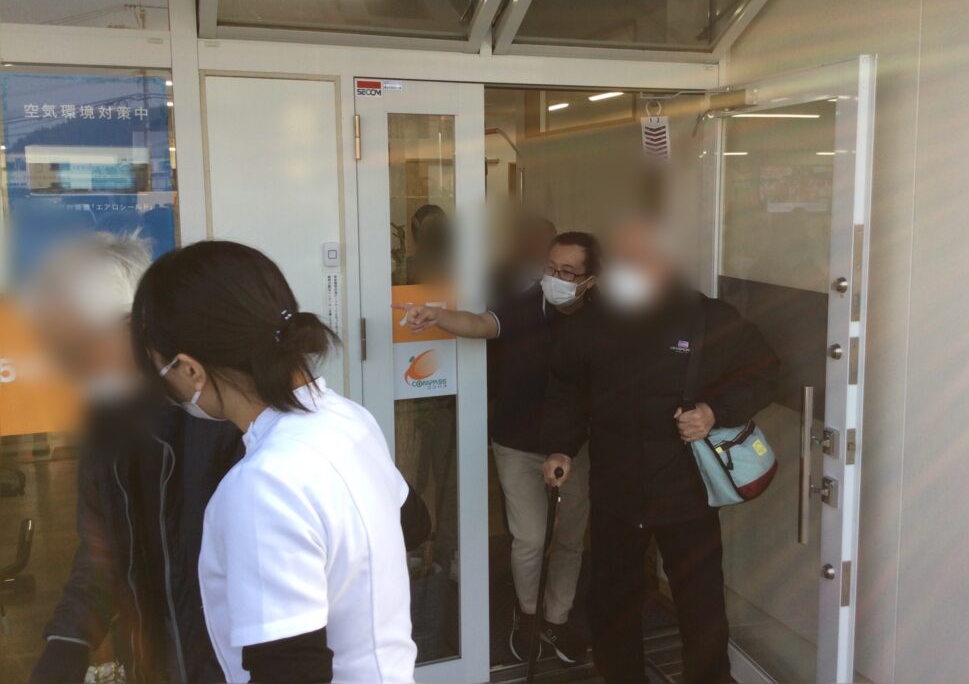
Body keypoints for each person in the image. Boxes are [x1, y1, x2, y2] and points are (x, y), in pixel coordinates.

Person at [130, 240, 416, 684]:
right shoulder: (346, 417)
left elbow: (290, 672)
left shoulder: (264, 485)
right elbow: (413, 522)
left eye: (157, 370)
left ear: (189, 370)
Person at [540, 217, 780, 684]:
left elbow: (765, 369)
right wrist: (560, 448)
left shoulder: (706, 317)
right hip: (615, 487)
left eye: (638, 259)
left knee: (699, 602)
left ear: (665, 263)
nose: (624, 268)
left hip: (686, 489)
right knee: (612, 600)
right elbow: (567, 387)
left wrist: (714, 411)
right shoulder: (593, 321)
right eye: (619, 259)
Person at [25, 233, 243, 684]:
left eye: (77, 348)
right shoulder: (107, 424)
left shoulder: (224, 416)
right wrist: (69, 640)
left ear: (133, 324)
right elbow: (103, 550)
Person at [394, 231, 600, 665]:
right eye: (550, 268)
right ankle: (527, 616)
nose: (555, 278)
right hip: (518, 443)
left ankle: (556, 619)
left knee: (569, 539)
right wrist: (436, 315)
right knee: (531, 538)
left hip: (575, 447)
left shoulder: (602, 319)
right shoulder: (526, 304)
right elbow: (479, 324)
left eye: (567, 272)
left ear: (589, 280)